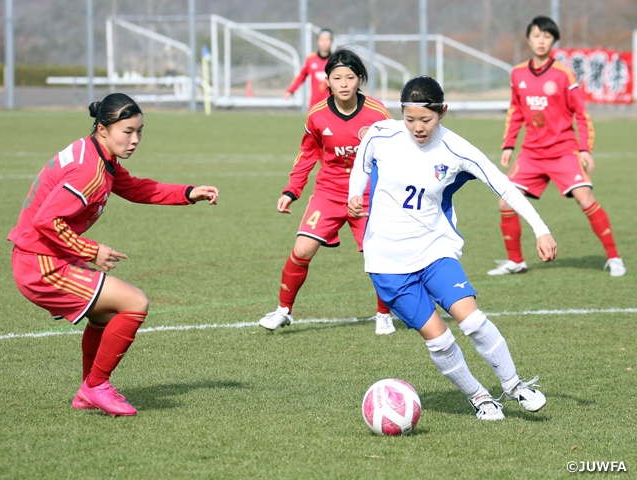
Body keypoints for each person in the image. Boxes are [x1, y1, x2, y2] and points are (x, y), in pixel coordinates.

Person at [348, 75, 557, 420]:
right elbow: (361, 165)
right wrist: (354, 195)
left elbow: (502, 185)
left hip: (434, 250)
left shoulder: (456, 149)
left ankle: (514, 385)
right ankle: (480, 398)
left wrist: (541, 229)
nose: (417, 127)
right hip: (386, 262)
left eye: (426, 119)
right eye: (410, 118)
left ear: (442, 112)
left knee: (472, 319)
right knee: (440, 339)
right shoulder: (380, 135)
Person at [7, 93, 219, 417]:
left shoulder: (96, 153)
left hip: (46, 255)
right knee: (135, 303)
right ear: (103, 129)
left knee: (105, 317)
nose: (135, 140)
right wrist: (92, 250)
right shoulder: (88, 170)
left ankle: (88, 389)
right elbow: (46, 220)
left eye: (140, 131)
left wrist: (188, 193)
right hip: (40, 263)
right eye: (127, 131)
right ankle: (95, 386)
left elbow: (135, 189)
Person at [260, 48, 395, 334]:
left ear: (360, 79)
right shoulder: (317, 115)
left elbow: (393, 154)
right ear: (328, 81)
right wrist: (291, 191)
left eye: (350, 77)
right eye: (337, 78)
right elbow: (307, 155)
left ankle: (383, 314)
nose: (344, 83)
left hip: (368, 194)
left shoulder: (378, 113)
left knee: (380, 254)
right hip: (329, 192)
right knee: (302, 249)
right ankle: (283, 310)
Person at [489, 15, 625, 277]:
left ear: (553, 41)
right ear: (528, 39)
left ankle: (614, 257)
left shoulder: (563, 74)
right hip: (531, 153)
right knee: (505, 203)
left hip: (563, 150)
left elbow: (581, 114)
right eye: (537, 36)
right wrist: (509, 144)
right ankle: (516, 261)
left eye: (547, 36)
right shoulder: (517, 73)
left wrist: (585, 149)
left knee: (586, 199)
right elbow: (515, 111)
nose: (541, 41)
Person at [284, 29, 333, 108]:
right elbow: (301, 76)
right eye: (322, 39)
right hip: (315, 103)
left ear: (331, 41)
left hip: (331, 102)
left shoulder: (335, 60)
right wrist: (291, 90)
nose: (324, 42)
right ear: (317, 41)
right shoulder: (311, 59)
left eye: (327, 39)